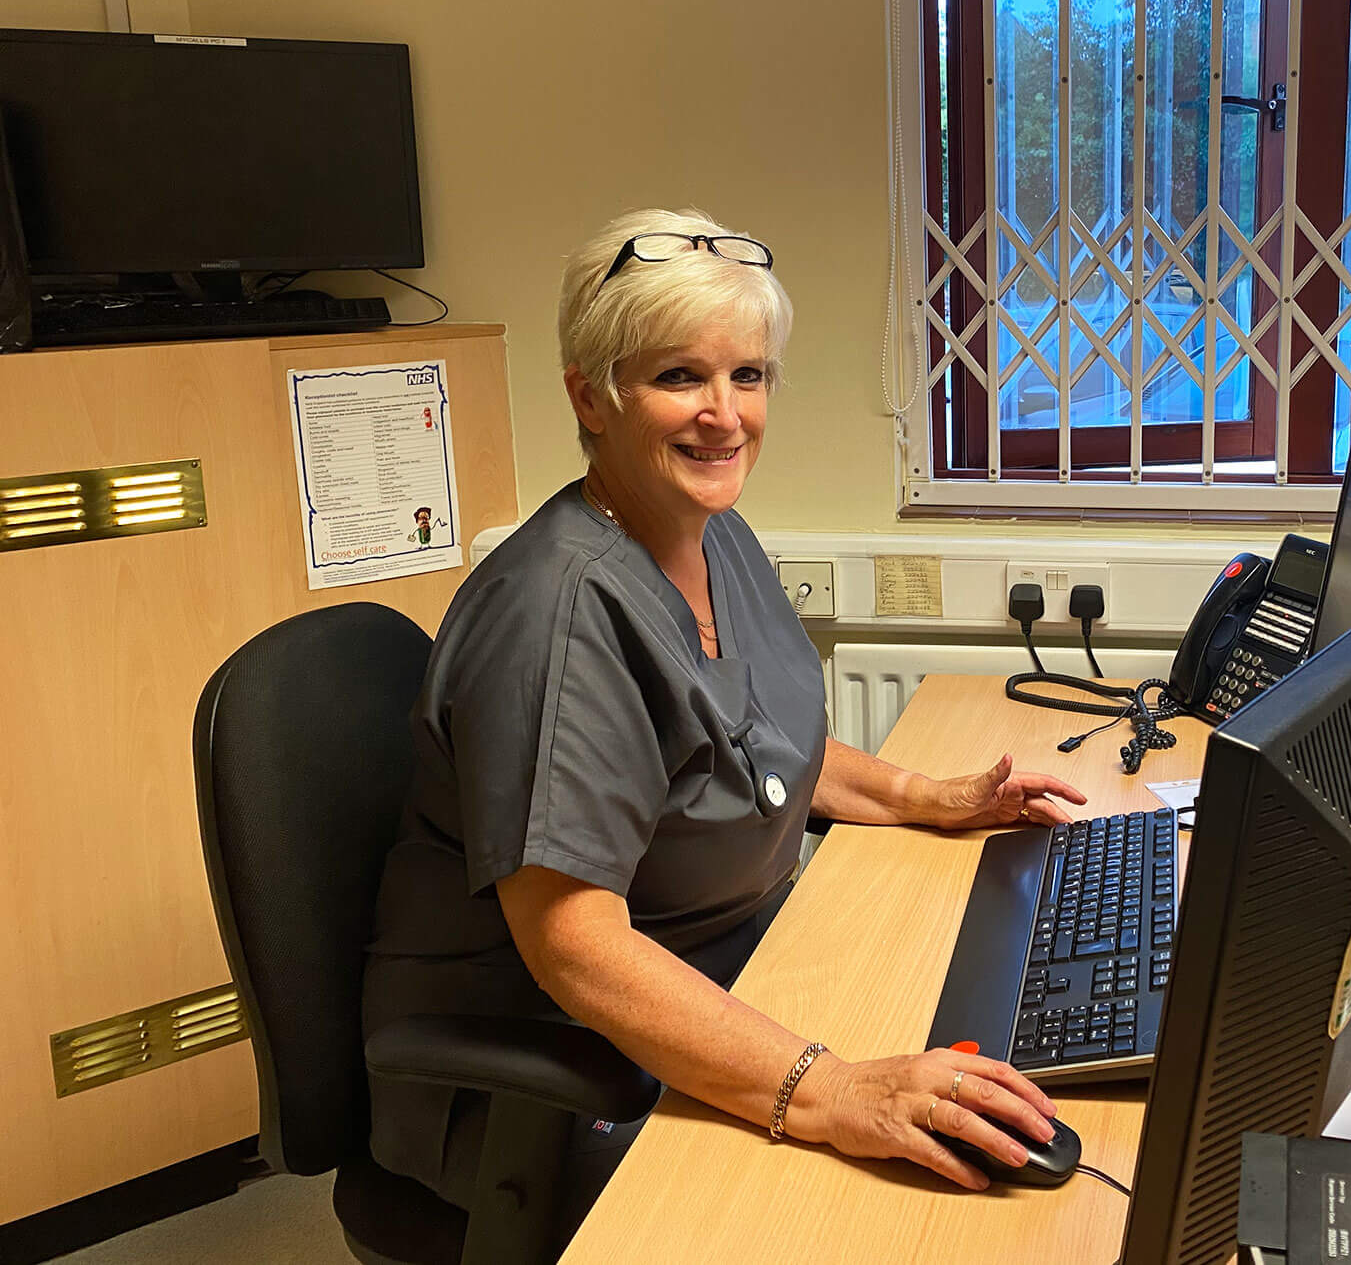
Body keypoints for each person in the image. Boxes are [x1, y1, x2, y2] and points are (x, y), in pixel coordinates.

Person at [362, 208, 1087, 1238]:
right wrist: (831, 1092)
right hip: (551, 1072)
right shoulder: (558, 616)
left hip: (727, 966)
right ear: (591, 396)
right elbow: (576, 949)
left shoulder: (712, 533)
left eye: (747, 376)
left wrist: (928, 798)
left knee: (980, 1035)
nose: (724, 415)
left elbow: (753, 746)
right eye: (678, 378)